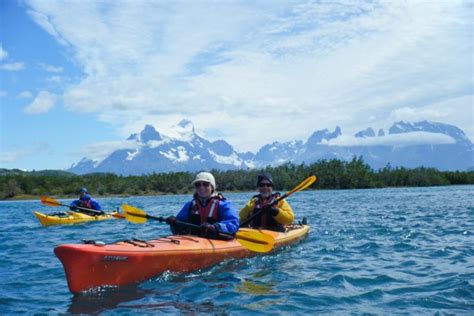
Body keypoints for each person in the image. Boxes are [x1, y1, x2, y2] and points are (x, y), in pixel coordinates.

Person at [166, 172, 239, 240]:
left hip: (216, 239)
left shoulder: (224, 205)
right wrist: (174, 222)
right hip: (194, 240)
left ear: (212, 187)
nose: (201, 187)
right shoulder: (190, 205)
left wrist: (215, 227)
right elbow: (180, 221)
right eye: (198, 185)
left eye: (205, 184)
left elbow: (233, 224)